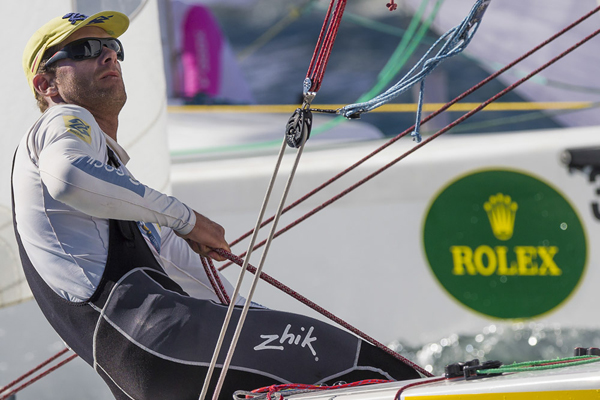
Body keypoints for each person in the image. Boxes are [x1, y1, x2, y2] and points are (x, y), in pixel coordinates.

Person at [12, 11, 422, 400]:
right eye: (84, 51)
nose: (107, 54)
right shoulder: (63, 121)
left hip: (148, 369)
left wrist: (269, 327)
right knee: (371, 369)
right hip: (163, 339)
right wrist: (186, 219)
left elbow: (205, 286)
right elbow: (68, 177)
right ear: (46, 86)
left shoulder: (120, 199)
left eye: (112, 46)